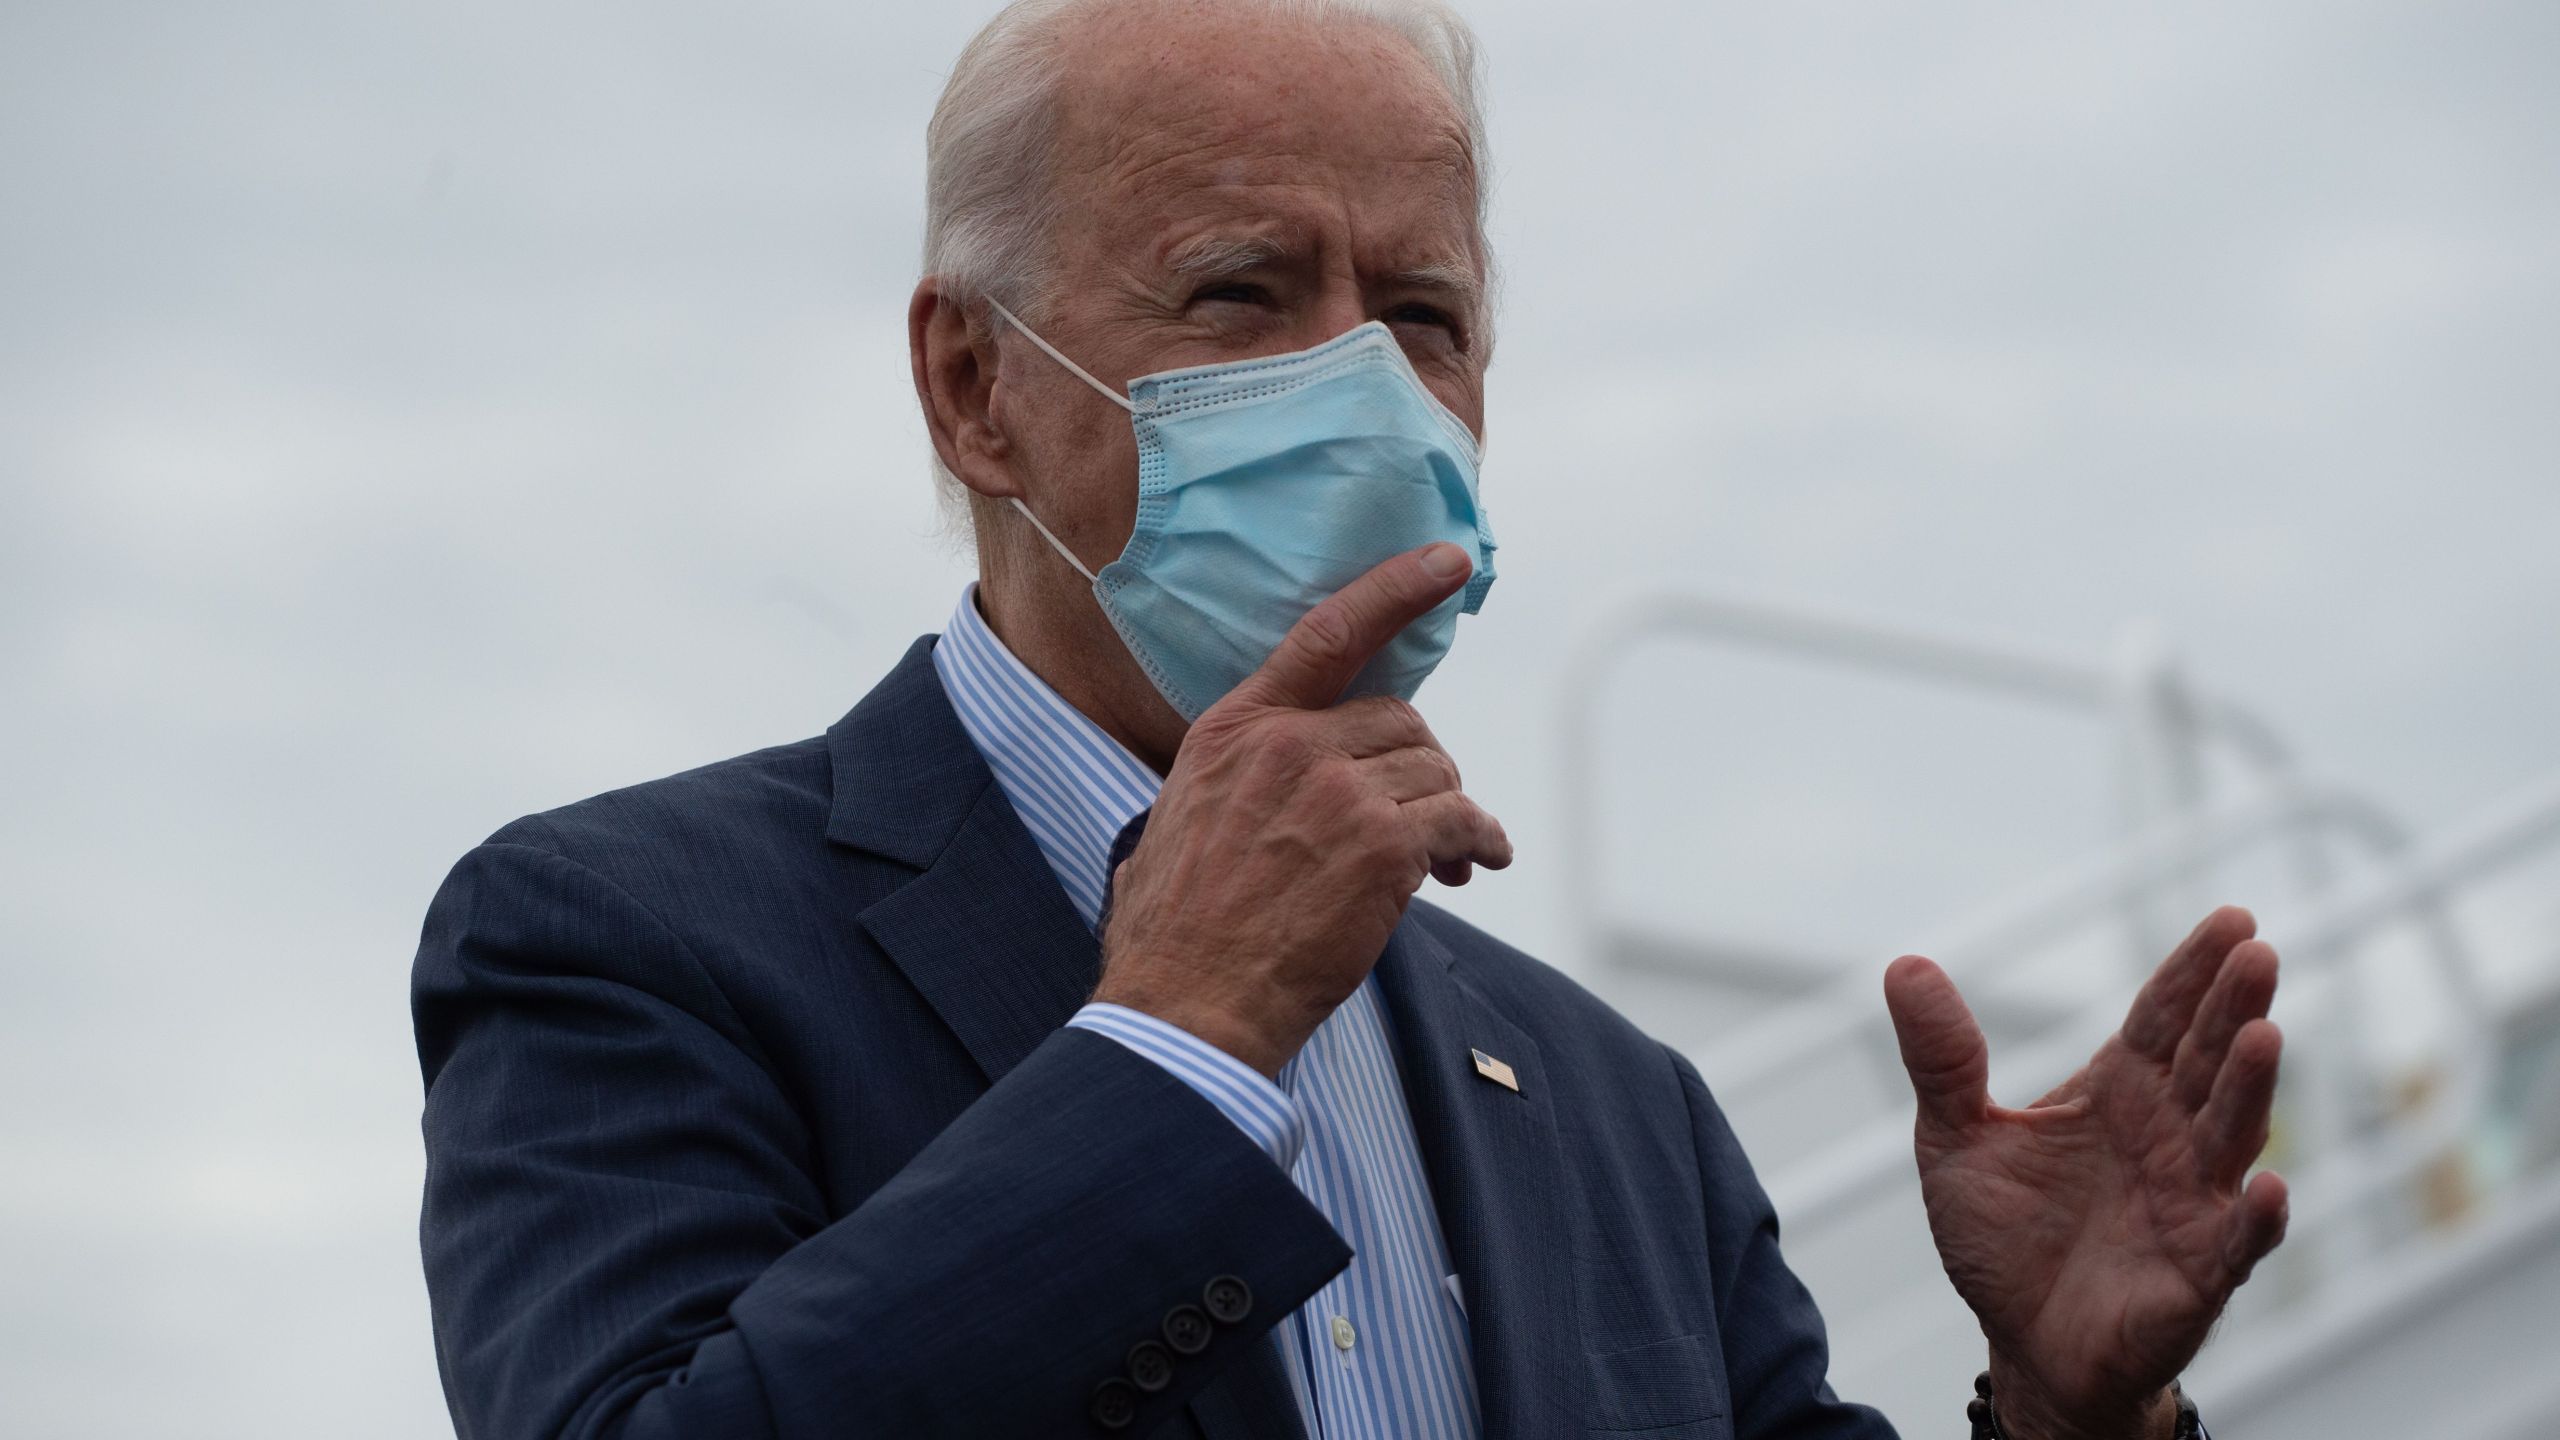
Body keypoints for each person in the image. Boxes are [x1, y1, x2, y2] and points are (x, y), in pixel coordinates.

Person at [410, 2, 2290, 1436]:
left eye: (1423, 315)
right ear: (976, 386)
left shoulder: (1622, 1108)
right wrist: (1178, 1048)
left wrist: (2065, 1412)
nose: (1369, 395)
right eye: (1243, 293)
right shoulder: (626, 938)